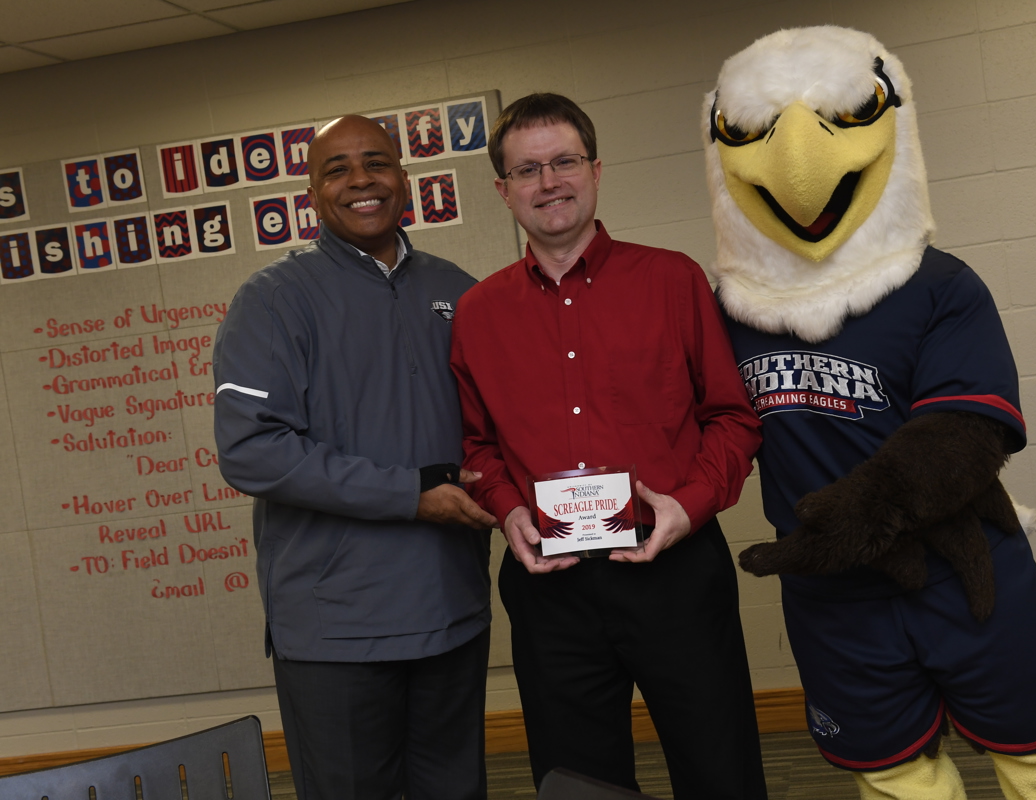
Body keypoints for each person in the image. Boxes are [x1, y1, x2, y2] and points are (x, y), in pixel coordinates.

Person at [450, 93, 768, 799]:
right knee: (579, 787)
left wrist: (688, 506)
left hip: (676, 572)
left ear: (596, 170)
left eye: (564, 161)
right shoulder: (478, 314)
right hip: (551, 589)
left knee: (721, 774)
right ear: (503, 191)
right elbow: (478, 449)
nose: (549, 181)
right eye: (527, 170)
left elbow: (733, 418)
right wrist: (507, 512)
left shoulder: (672, 279)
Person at [212, 115, 497, 800]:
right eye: (337, 169)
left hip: (452, 607)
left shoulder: (461, 291)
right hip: (335, 629)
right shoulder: (273, 299)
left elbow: (500, 430)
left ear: (405, 180)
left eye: (376, 162)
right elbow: (251, 452)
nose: (360, 179)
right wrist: (411, 494)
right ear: (312, 193)